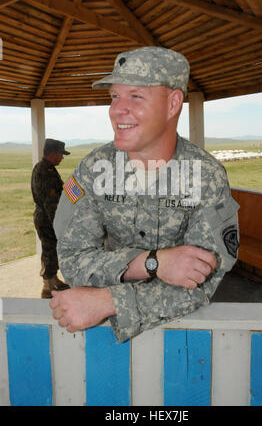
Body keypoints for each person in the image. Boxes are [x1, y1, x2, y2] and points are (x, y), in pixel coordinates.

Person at [50, 47, 239, 342]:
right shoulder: (93, 169)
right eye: (114, 97)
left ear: (173, 103)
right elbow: (73, 259)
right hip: (107, 340)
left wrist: (107, 301)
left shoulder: (206, 176)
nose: (117, 109)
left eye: (135, 96)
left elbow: (203, 281)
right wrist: (154, 262)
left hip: (183, 338)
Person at [31, 138, 70, 298]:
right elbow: (51, 203)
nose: (62, 158)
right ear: (53, 154)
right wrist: (59, 224)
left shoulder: (47, 168)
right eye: (61, 154)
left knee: (52, 250)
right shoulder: (45, 172)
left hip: (47, 217)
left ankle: (54, 279)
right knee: (49, 250)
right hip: (48, 218)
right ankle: (47, 287)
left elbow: (62, 191)